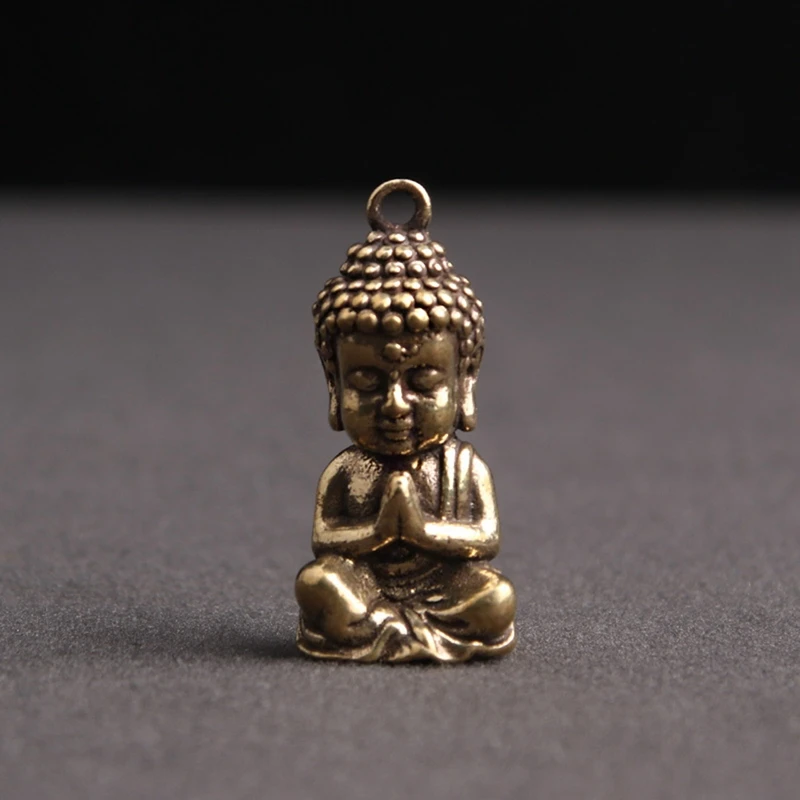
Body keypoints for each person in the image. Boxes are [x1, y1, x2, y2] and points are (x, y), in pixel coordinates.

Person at [296, 181, 516, 662]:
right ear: (334, 384)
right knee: (318, 583)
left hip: (444, 587)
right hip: (364, 583)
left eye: (423, 380)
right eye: (367, 383)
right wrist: (379, 534)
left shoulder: (464, 468)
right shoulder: (348, 470)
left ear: (464, 383)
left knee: (495, 596)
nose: (395, 405)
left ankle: (381, 631)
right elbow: (324, 541)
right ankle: (398, 629)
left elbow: (486, 539)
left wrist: (419, 533)